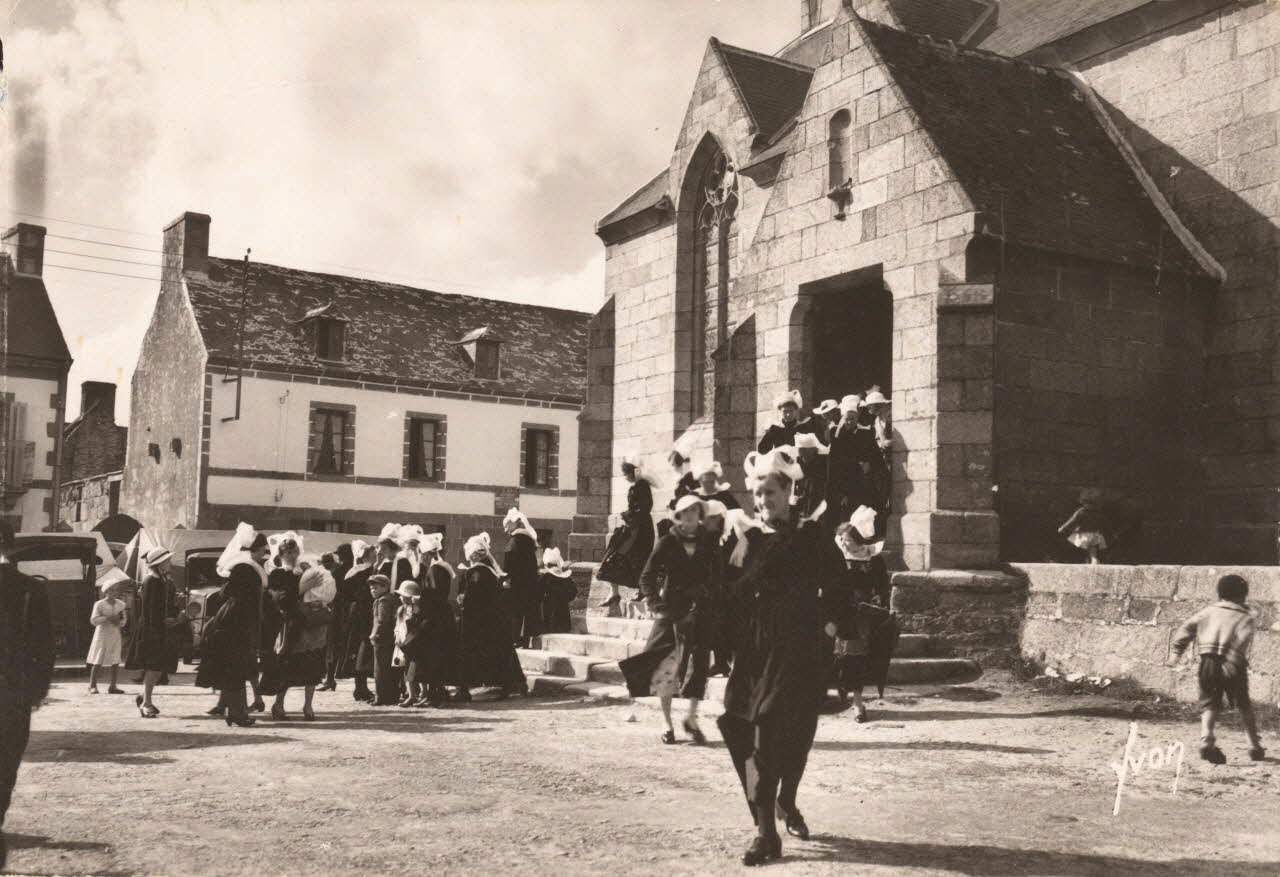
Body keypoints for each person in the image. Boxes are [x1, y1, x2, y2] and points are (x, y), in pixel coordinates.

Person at [718, 446, 843, 866]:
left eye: (769, 492)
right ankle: (766, 830)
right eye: (756, 494)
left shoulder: (812, 537)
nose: (761, 501)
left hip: (798, 648)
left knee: (786, 735)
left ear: (788, 491)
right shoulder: (748, 539)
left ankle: (782, 804)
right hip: (754, 649)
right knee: (740, 726)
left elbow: (840, 585)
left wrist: (829, 627)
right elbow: (729, 591)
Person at [620, 494, 717, 745]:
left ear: (700, 514)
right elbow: (647, 577)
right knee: (666, 668)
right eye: (685, 512)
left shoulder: (709, 542)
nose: (690, 516)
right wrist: (655, 604)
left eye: (695, 511)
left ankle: (692, 718)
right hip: (672, 611)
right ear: (679, 516)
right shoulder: (667, 542)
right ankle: (667, 723)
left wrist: (711, 594)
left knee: (700, 666)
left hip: (700, 611)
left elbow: (719, 576)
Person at [0, 519, 55, 870]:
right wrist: (35, 691)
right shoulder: (30, 590)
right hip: (12, 696)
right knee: (4, 767)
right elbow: (45, 647)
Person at [1172, 574, 1265, 764]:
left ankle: (1206, 738)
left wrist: (1176, 651)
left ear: (1220, 594)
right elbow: (1241, 639)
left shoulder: (1207, 612)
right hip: (1232, 664)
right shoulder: (1244, 616)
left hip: (1207, 662)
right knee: (1243, 704)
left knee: (1209, 703)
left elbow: (1186, 628)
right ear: (1243, 595)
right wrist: (1231, 661)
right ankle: (1253, 744)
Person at [826, 515, 898, 722]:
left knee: (856, 658)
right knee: (836, 657)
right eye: (841, 539)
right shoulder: (837, 558)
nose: (844, 543)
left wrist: (880, 601)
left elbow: (882, 587)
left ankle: (857, 702)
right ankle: (841, 698)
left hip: (863, 617)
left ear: (858, 540)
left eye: (848, 539)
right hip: (838, 613)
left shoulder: (873, 559)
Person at [199, 524, 270, 727]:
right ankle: (237, 714)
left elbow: (225, 593)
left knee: (235, 670)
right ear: (255, 550)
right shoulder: (246, 568)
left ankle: (234, 712)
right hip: (236, 625)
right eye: (263, 551)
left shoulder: (243, 567)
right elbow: (240, 597)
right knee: (235, 670)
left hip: (235, 622)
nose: (264, 555)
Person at [455, 533, 527, 702]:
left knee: (475, 652)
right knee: (499, 651)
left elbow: (474, 595)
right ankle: (511, 684)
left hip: (478, 620)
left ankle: (466, 689)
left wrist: (463, 599)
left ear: (474, 555)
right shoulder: (488, 571)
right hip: (492, 619)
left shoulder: (478, 572)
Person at [262, 557, 331, 721]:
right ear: (280, 554)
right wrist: (302, 587)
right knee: (288, 667)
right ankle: (278, 705)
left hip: (313, 624)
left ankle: (308, 706)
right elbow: (280, 599)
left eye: (294, 551)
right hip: (294, 627)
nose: (292, 555)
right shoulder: (278, 574)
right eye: (287, 551)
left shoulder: (309, 569)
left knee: (313, 666)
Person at [125, 545, 183, 719]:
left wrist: (175, 605)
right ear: (159, 564)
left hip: (162, 629)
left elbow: (166, 605)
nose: (170, 563)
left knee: (159, 668)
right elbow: (150, 610)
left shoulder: (165, 580)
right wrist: (160, 627)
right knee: (154, 666)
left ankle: (145, 696)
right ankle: (146, 703)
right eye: (167, 561)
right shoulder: (151, 581)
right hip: (153, 629)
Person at [598, 456, 655, 609]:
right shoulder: (637, 486)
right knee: (615, 554)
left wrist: (628, 515)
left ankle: (640, 591)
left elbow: (644, 508)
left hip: (640, 529)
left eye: (626, 474)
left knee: (635, 557)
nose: (625, 477)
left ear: (632, 472)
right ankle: (614, 593)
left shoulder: (641, 486)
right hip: (634, 527)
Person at [412, 534, 459, 707]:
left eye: (421, 554)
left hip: (436, 618)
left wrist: (419, 600)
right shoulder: (437, 568)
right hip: (439, 616)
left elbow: (434, 595)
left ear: (427, 554)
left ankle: (435, 694)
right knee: (435, 656)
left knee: (434, 656)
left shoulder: (435, 570)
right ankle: (433, 693)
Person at [334, 540, 376, 703]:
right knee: (362, 648)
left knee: (358, 648)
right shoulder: (366, 572)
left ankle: (360, 686)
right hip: (363, 614)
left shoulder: (352, 572)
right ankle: (361, 687)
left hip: (355, 613)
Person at [502, 508, 543, 647]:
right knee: (528, 610)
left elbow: (508, 565)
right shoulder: (529, 541)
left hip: (517, 583)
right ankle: (526, 639)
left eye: (507, 525)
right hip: (529, 582)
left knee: (516, 611)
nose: (505, 529)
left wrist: (505, 579)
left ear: (514, 524)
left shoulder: (514, 541)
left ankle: (516, 639)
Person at [319, 545, 354, 691]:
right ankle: (331, 678)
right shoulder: (353, 569)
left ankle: (330, 679)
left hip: (338, 612)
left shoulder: (339, 572)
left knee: (332, 645)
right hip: (347, 612)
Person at [87, 578, 129, 695]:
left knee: (115, 659)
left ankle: (113, 686)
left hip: (115, 633)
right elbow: (93, 620)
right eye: (110, 590)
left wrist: (119, 622)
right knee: (98, 659)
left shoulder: (121, 604)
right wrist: (107, 618)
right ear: (105, 591)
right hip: (102, 634)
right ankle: (92, 685)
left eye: (115, 590)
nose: (113, 593)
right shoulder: (99, 604)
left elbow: (124, 620)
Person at [364, 575, 400, 706]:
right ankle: (392, 696)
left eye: (376, 587)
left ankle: (380, 697)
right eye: (371, 588)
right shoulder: (393, 598)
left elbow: (382, 621)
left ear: (385, 587)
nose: (372, 590)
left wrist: (374, 635)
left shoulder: (382, 601)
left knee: (380, 670)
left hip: (381, 639)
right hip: (391, 638)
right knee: (390, 669)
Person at [393, 581, 428, 707]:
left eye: (403, 595)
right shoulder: (400, 610)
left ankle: (423, 693)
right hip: (403, 644)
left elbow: (416, 628)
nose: (400, 598)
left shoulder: (416, 610)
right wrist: (397, 636)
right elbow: (398, 625)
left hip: (414, 644)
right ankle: (411, 694)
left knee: (417, 671)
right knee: (406, 670)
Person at [757, 390, 822, 454]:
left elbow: (813, 448)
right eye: (785, 411)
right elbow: (762, 450)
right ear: (780, 411)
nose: (788, 414)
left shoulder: (803, 427)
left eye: (791, 411)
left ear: (796, 411)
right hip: (781, 462)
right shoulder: (775, 429)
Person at [1058, 489, 1108, 564]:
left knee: (1079, 546)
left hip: (1084, 534)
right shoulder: (1098, 512)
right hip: (1095, 534)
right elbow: (1102, 522)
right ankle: (1093, 559)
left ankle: (1085, 560)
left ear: (1083, 501)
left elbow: (1072, 521)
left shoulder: (1081, 511)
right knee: (1092, 547)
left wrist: (1062, 527)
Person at [793, 432, 830, 523]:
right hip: (805, 500)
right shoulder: (800, 460)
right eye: (799, 449)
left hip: (818, 498)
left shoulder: (822, 462)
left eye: (803, 450)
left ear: (812, 450)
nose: (800, 453)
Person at [539, 547, 576, 635]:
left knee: (551, 616)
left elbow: (539, 591)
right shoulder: (565, 578)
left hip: (550, 607)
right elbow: (573, 591)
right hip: (561, 608)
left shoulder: (546, 577)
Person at [861, 388, 892, 452]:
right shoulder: (877, 420)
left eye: (870, 407)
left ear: (878, 405)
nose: (868, 409)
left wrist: (889, 443)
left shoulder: (891, 417)